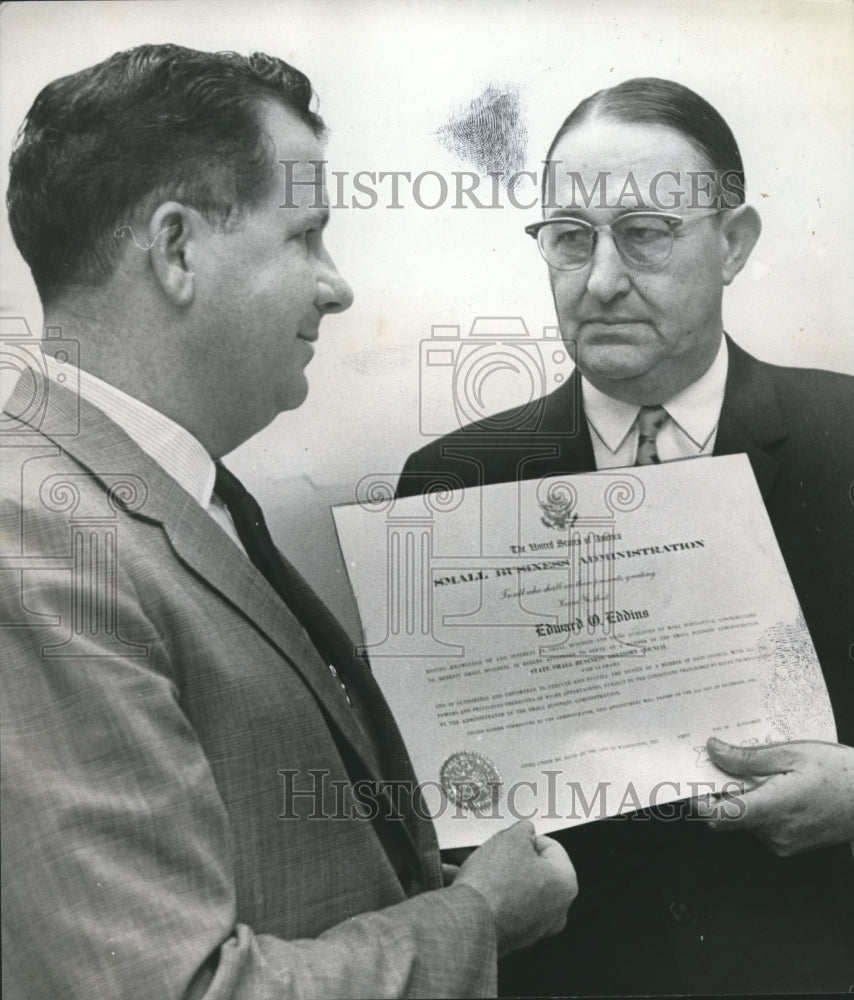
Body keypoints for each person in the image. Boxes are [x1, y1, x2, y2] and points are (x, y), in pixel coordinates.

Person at [0, 44, 578, 999]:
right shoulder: (33, 538)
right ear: (177, 248)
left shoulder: (166, 485)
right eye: (305, 235)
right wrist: (475, 919)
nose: (337, 285)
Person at [398, 77, 854, 996]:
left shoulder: (846, 439)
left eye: (645, 233)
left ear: (733, 245)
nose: (600, 280)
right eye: (570, 238)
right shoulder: (452, 484)